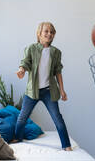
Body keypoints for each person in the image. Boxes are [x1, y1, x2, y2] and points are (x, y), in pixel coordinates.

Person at [15, 22, 72, 151]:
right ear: (39, 34)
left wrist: (62, 90)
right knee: (22, 117)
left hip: (49, 92)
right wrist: (21, 70)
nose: (49, 34)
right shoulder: (31, 48)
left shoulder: (56, 52)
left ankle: (66, 145)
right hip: (32, 91)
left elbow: (58, 71)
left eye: (52, 32)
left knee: (57, 118)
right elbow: (25, 62)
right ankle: (17, 139)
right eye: (46, 31)